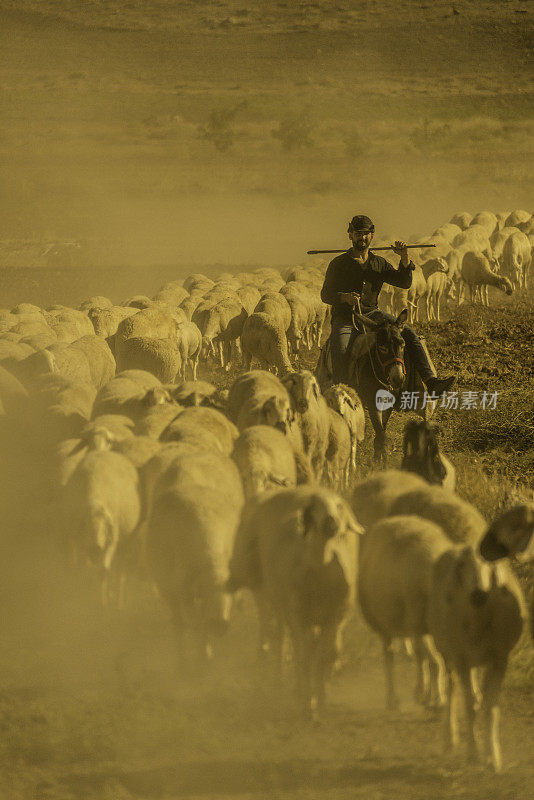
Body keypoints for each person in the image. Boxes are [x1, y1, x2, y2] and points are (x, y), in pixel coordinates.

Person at [320, 214, 457, 392]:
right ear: (350, 235)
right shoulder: (338, 264)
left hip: (373, 315)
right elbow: (325, 295)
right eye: (357, 233)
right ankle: (342, 393)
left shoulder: (379, 263)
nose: (362, 237)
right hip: (346, 318)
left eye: (366, 234)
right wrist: (344, 297)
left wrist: (404, 258)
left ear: (371, 236)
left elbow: (404, 282)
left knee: (408, 333)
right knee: (341, 349)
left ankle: (431, 382)